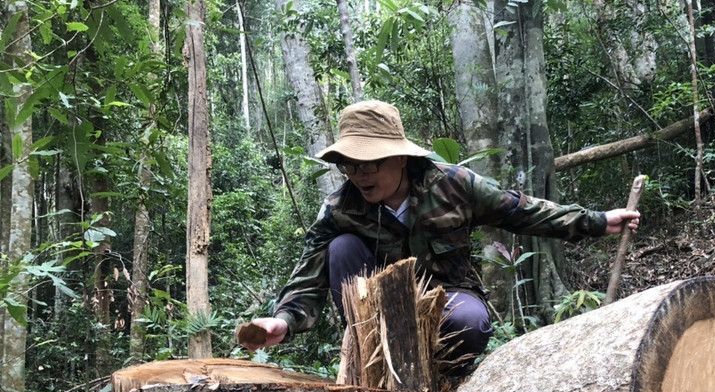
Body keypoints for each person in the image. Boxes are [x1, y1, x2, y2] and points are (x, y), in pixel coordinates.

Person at [239, 100, 639, 370]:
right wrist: (283, 320)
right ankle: (372, 364)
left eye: (370, 163)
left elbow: (519, 210)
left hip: (448, 299)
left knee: (470, 320)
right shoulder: (340, 207)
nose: (359, 174)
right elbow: (308, 273)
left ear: (400, 157)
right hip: (378, 317)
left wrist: (595, 221)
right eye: (349, 164)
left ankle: (445, 380)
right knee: (341, 247)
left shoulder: (452, 185)